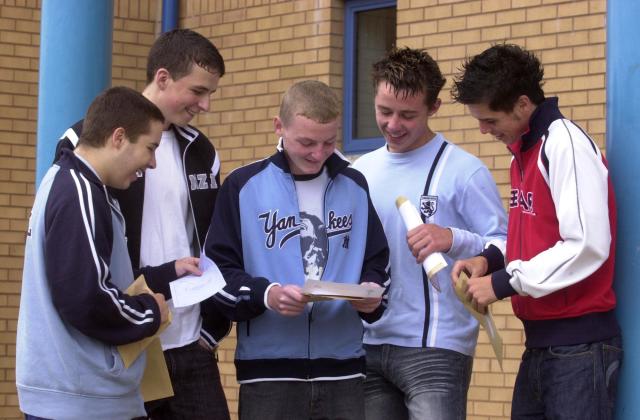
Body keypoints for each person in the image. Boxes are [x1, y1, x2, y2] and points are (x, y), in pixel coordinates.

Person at [54, 29, 231, 419]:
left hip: (191, 346)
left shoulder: (201, 150)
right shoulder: (86, 140)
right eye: (198, 91)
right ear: (163, 78)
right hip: (127, 343)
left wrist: (211, 330)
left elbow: (215, 241)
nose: (205, 105)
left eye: (210, 94)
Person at [451, 43, 622, 420]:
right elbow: (533, 240)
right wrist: (488, 262)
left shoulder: (566, 146)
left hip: (579, 346)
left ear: (523, 104)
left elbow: (587, 246)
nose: (483, 129)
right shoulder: (524, 152)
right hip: (543, 345)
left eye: (490, 120)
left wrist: (502, 284)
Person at [202, 80, 390, 420]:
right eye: (306, 142)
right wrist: (267, 295)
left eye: (329, 142)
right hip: (268, 375)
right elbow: (216, 274)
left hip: (344, 371)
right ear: (279, 126)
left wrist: (373, 293)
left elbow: (378, 262)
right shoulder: (242, 186)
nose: (318, 154)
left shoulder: (355, 185)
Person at [351, 47, 507, 420]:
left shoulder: (464, 170)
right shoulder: (360, 170)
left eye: (408, 115)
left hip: (437, 350)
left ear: (434, 107)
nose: (392, 124)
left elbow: (506, 243)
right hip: (367, 344)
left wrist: (453, 238)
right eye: (384, 112)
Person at [16, 86, 177, 419]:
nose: (153, 162)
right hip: (82, 399)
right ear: (118, 137)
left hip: (77, 394)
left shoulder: (74, 185)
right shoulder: (79, 192)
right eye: (150, 148)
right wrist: (149, 313)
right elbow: (86, 297)